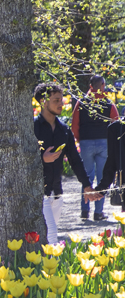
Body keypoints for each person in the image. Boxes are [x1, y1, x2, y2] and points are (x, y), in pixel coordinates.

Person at [35, 83, 96, 244]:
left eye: (61, 100)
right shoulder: (32, 127)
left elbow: (75, 160)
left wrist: (87, 186)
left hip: (57, 193)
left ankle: (44, 266)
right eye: (56, 100)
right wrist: (41, 158)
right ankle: (51, 267)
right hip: (38, 193)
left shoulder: (64, 130)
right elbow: (20, 159)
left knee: (49, 234)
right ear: (43, 102)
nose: (61, 104)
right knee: (52, 235)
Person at [72, 75, 119, 221]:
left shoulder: (81, 103)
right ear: (103, 85)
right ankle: (98, 212)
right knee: (102, 177)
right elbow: (116, 125)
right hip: (104, 142)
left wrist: (80, 140)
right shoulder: (109, 104)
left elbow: (74, 124)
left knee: (87, 178)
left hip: (86, 142)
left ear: (90, 86)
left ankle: (84, 210)